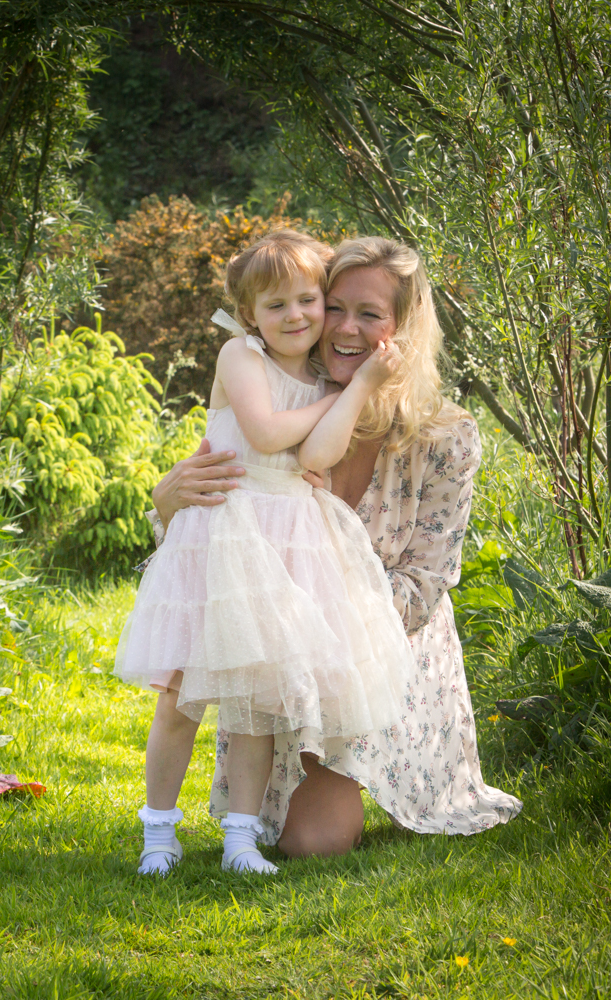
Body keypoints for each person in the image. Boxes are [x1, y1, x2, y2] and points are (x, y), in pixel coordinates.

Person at [150, 235, 522, 856]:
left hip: (381, 657)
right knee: (308, 840)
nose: (345, 328)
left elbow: (424, 588)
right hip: (285, 654)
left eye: (370, 315)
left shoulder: (445, 437)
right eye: (335, 306)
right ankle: (188, 824)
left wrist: (304, 618)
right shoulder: (284, 393)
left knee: (314, 843)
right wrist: (167, 501)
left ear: (403, 330)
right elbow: (219, 533)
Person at [113, 230, 417, 876]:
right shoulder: (240, 357)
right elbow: (264, 431)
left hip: (284, 549)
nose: (297, 316)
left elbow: (315, 456)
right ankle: (158, 833)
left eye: (309, 300)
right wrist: (339, 397)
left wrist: (357, 386)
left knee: (256, 703)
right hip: (220, 538)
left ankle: (240, 838)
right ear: (250, 314)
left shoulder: (318, 375)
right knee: (178, 697)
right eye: (276, 305)